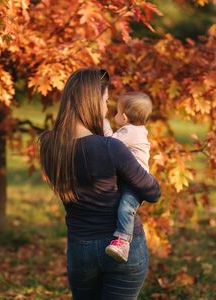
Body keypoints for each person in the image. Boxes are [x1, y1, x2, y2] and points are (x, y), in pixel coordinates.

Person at [39, 67, 161, 300]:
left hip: (80, 248)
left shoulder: (49, 145)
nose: (107, 108)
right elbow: (153, 191)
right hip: (123, 248)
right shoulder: (110, 147)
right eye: (105, 101)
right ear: (93, 102)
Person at [103, 92, 153, 263]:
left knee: (126, 207)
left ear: (124, 117)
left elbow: (109, 144)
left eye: (116, 112)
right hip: (130, 180)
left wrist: (103, 123)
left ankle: (123, 242)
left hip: (136, 184)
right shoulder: (136, 130)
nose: (114, 115)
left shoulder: (130, 132)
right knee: (122, 205)